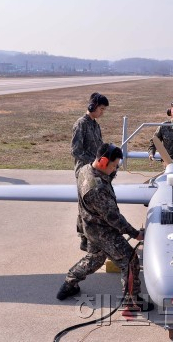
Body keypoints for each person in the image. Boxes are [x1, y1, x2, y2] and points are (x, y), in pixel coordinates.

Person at [57, 144, 152, 311]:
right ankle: (132, 301)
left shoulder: (85, 169)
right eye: (113, 165)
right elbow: (113, 218)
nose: (115, 169)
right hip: (102, 231)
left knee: (95, 258)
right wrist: (135, 233)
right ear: (102, 162)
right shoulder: (97, 188)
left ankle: (69, 283)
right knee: (130, 260)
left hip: (89, 224)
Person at [71, 92, 109, 251]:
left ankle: (94, 236)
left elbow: (98, 147)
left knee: (96, 206)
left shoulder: (95, 124)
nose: (102, 112)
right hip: (85, 171)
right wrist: (94, 163)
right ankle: (83, 237)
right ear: (92, 106)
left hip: (96, 170)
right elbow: (75, 150)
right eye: (101, 109)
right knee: (85, 206)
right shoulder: (81, 124)